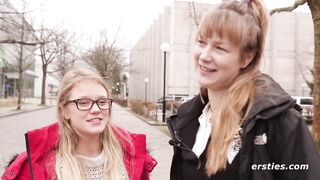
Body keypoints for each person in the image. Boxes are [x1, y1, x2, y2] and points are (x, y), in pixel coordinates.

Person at [167, 0, 320, 180]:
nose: (204, 55)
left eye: (220, 48)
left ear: (246, 58)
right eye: (202, 42)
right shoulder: (188, 118)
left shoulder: (279, 123)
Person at [2, 68, 157, 180]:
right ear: (64, 111)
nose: (96, 109)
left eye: (102, 101)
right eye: (83, 102)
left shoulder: (133, 158)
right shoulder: (31, 168)